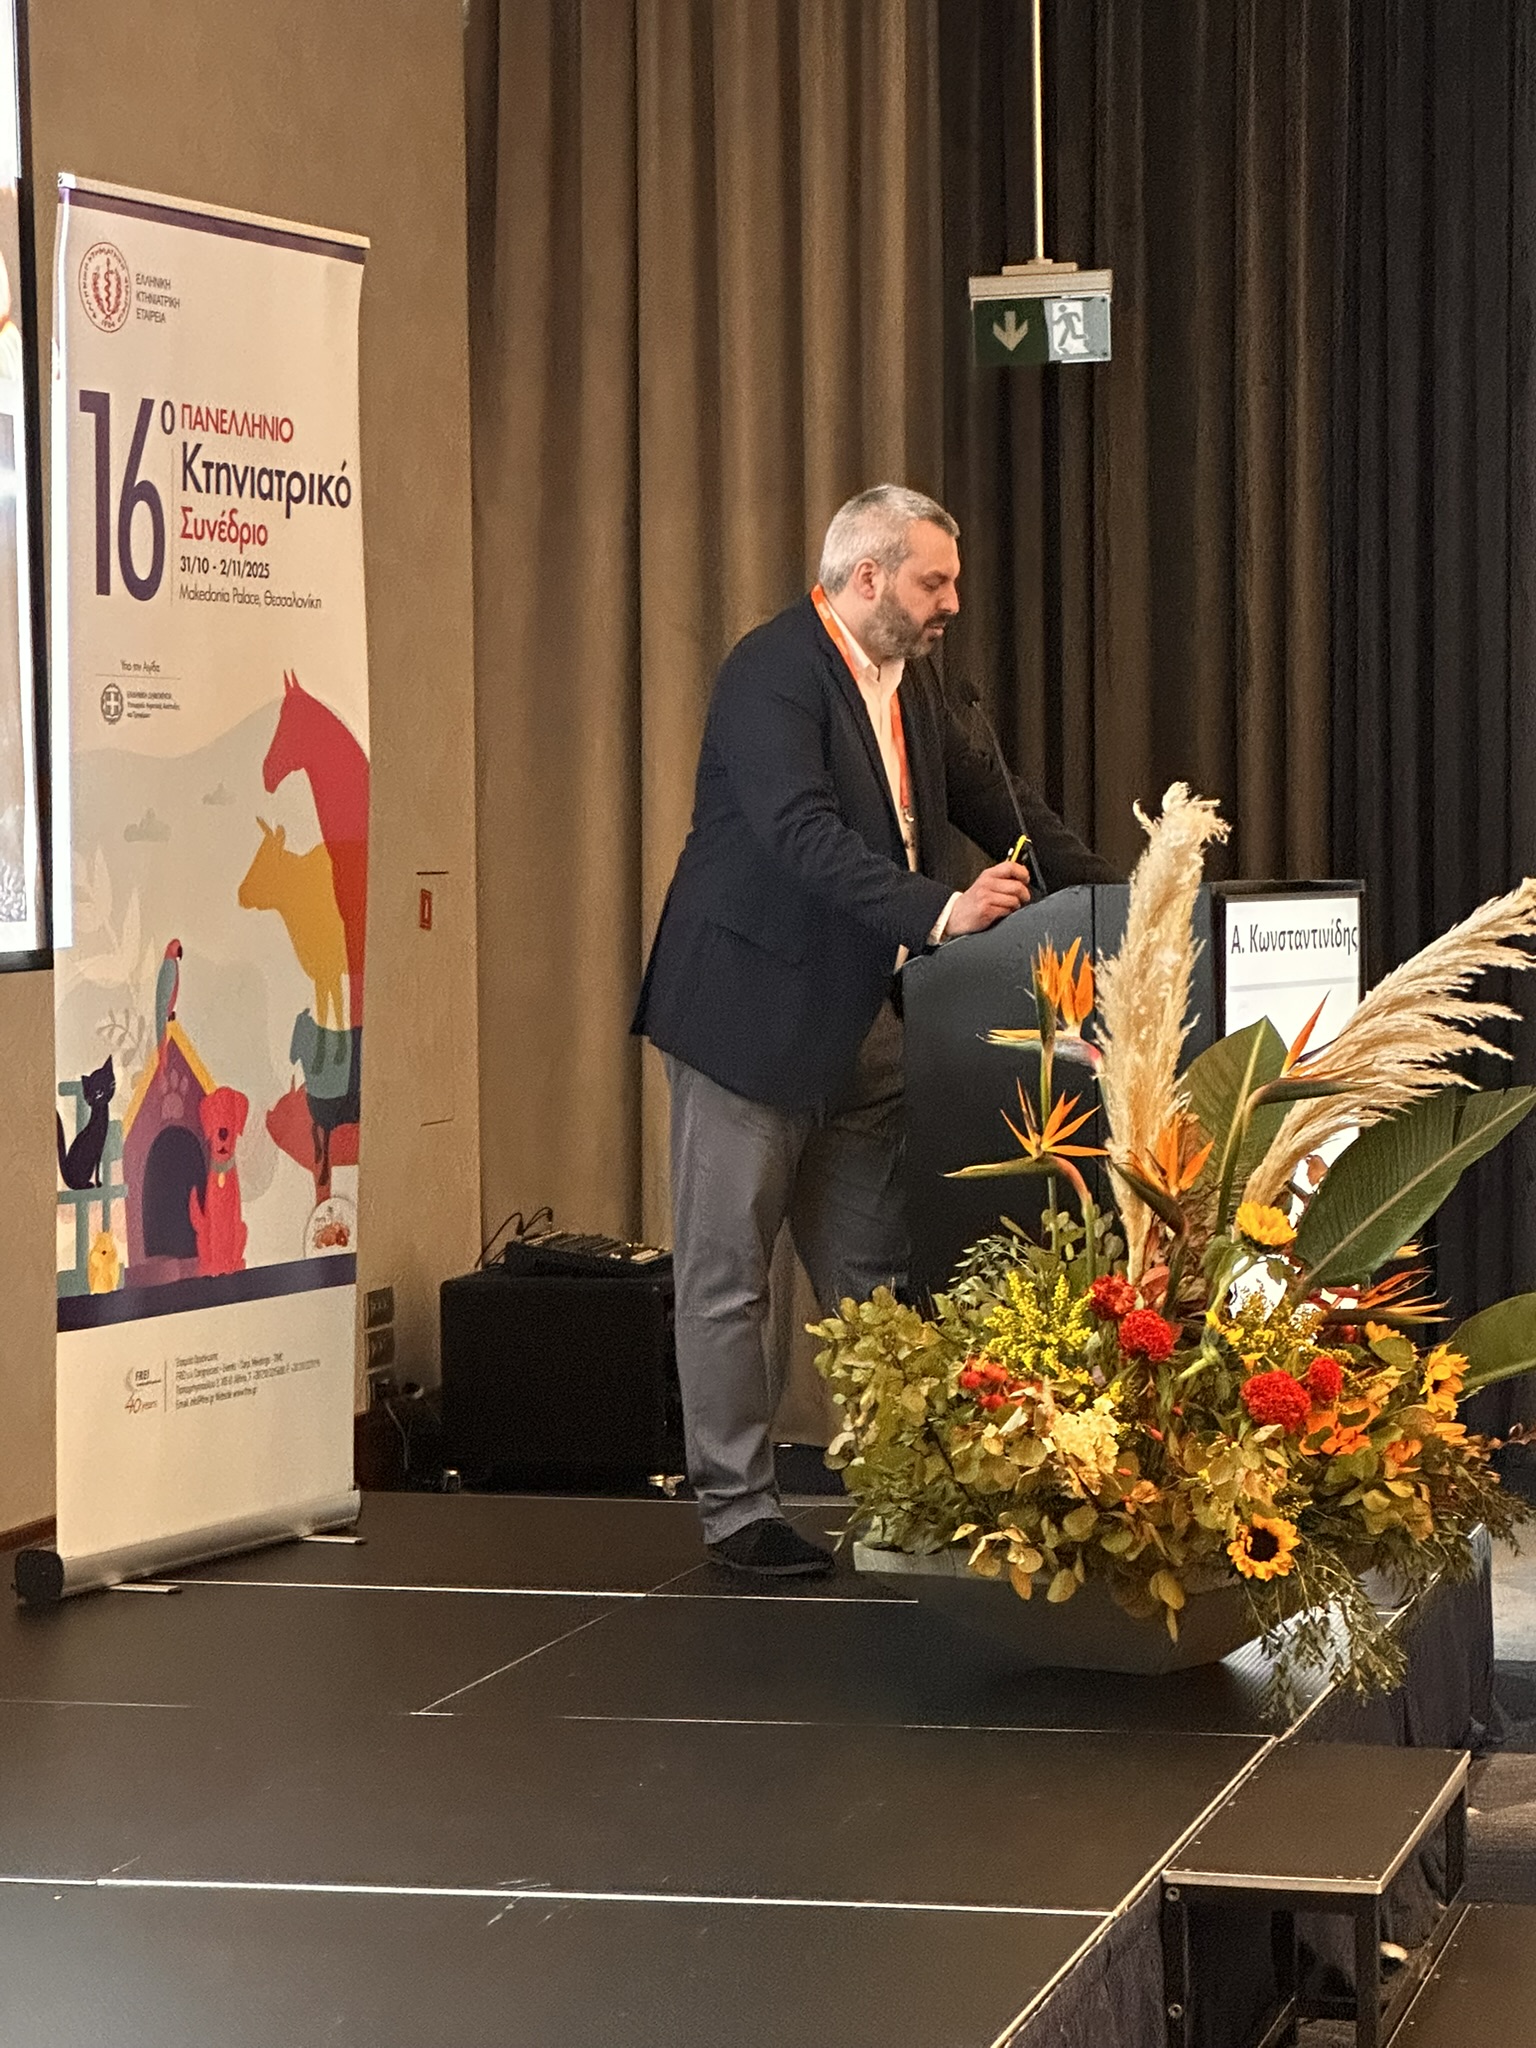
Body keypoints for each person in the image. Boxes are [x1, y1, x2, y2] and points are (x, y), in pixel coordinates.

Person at [633, 484, 1115, 1575]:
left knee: (881, 1276)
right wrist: (941, 911)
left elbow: (1003, 805)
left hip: (868, 1029)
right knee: (729, 1277)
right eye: (934, 582)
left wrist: (1119, 896)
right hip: (749, 1022)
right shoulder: (773, 672)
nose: (952, 604)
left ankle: (907, 1490)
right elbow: (799, 833)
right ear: (867, 577)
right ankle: (738, 1512)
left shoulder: (918, 684)